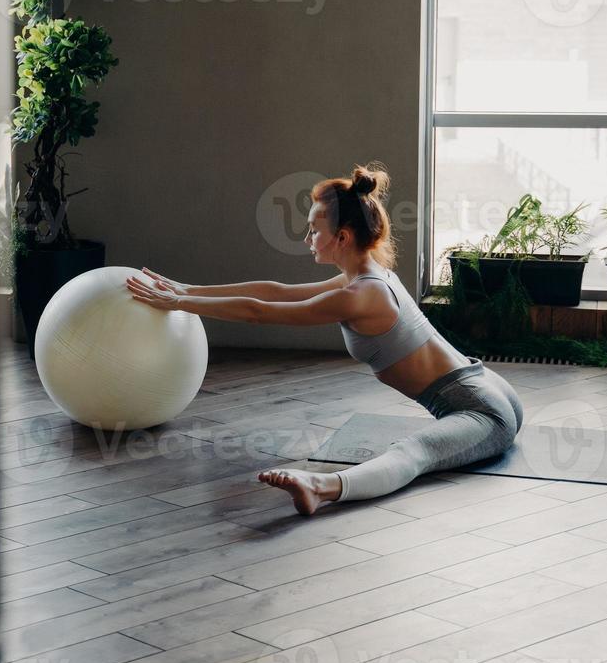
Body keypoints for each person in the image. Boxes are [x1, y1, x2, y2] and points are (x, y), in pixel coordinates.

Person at [125, 163, 524, 516]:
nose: (307, 239)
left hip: (484, 412)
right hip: (487, 385)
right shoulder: (368, 277)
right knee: (419, 448)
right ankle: (322, 486)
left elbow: (259, 312)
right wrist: (188, 289)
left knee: (413, 452)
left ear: (343, 237)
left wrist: (179, 302)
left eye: (314, 230)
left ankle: (322, 488)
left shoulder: (360, 295)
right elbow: (277, 291)